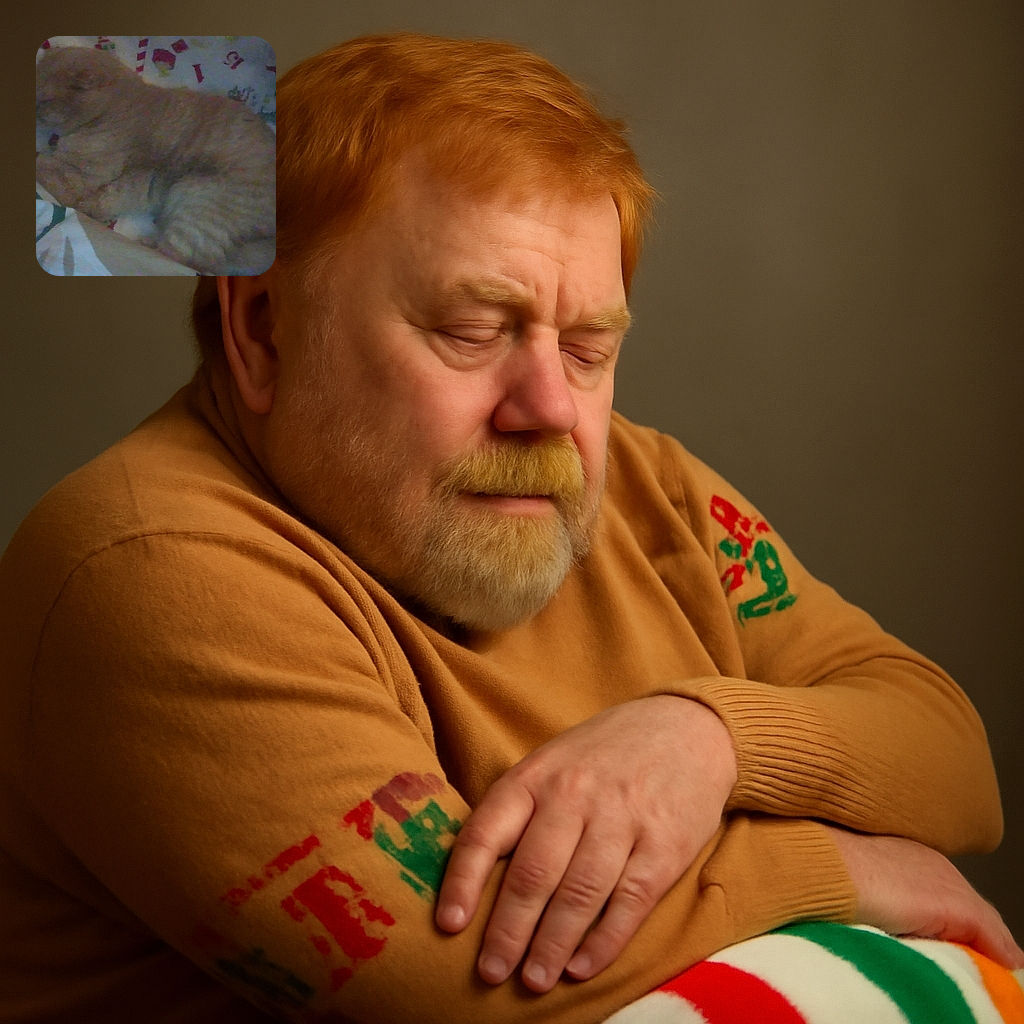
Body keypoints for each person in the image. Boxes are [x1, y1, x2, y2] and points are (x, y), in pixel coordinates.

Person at [0, 32, 1019, 1023]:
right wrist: (843, 867)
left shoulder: (645, 487)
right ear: (263, 328)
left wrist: (703, 740)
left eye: (586, 348)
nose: (551, 410)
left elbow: (951, 761)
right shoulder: (143, 568)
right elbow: (464, 977)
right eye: (473, 329)